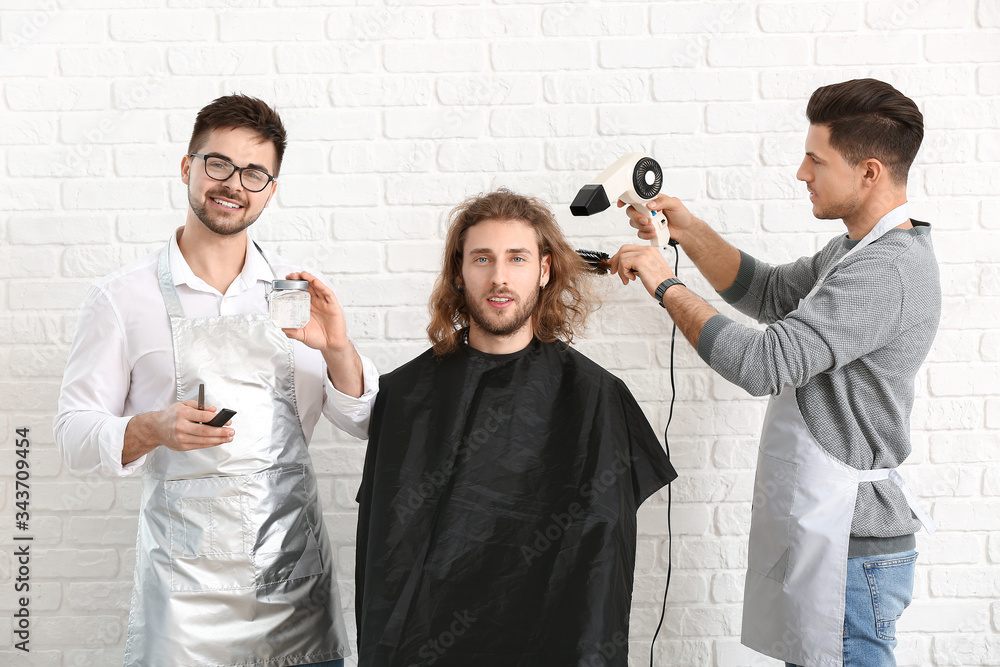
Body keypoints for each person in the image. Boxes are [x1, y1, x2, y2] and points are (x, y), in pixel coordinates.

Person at [611, 78, 939, 666]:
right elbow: (769, 291)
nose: (800, 173)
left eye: (816, 160)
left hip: (853, 546)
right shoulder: (854, 252)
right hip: (834, 535)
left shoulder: (886, 270)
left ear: (868, 172)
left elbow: (763, 364)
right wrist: (685, 228)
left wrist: (665, 282)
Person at [55, 94, 377, 667]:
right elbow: (74, 436)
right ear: (188, 167)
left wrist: (337, 349)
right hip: (182, 605)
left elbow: (364, 421)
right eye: (218, 164)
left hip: (291, 590)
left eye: (254, 172)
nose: (234, 183)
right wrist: (152, 427)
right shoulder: (121, 299)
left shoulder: (297, 295)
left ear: (270, 189)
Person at [354, 189, 677, 666]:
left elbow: (600, 568)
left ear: (544, 270)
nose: (499, 277)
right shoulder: (406, 395)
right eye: (481, 259)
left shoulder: (597, 399)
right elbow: (386, 558)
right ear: (459, 273)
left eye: (517, 258)